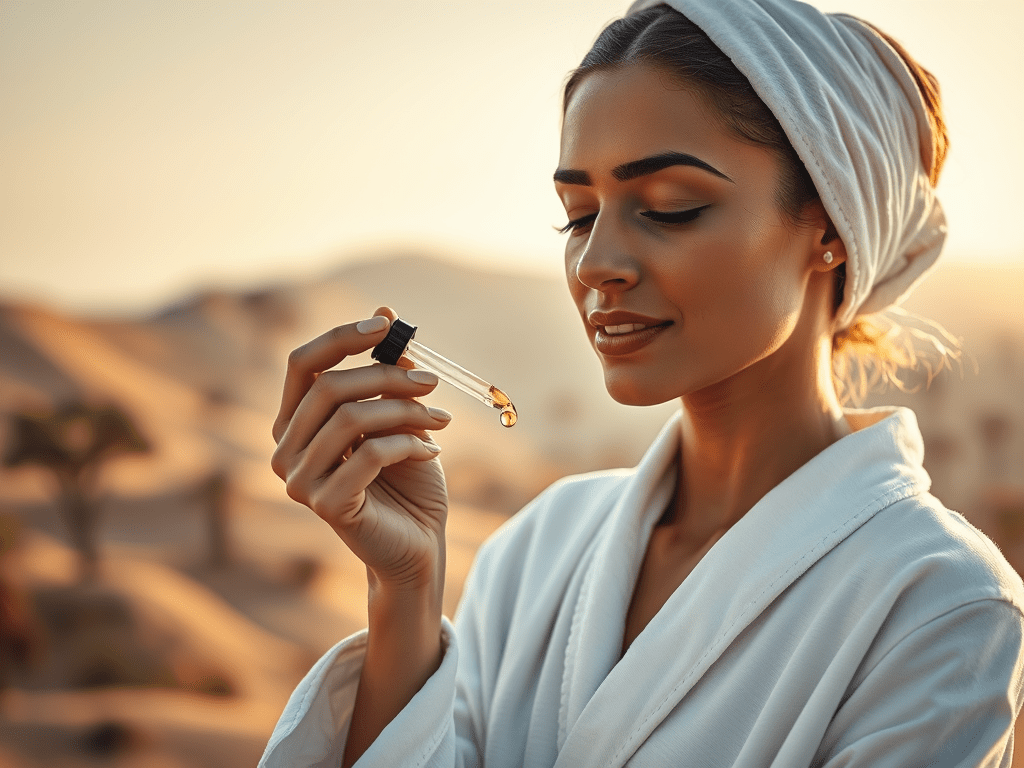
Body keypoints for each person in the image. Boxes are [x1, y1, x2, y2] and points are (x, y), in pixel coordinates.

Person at [260, 1, 1024, 765]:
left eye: (670, 207)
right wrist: (405, 592)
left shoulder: (939, 606)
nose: (596, 263)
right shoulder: (538, 548)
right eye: (578, 215)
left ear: (828, 228)